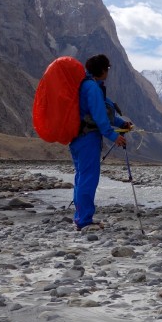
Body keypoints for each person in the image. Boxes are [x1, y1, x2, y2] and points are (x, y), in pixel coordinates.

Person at [70, 54, 131, 231]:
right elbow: (99, 117)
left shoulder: (87, 85)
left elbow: (104, 112)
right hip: (88, 139)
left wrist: (121, 124)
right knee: (88, 179)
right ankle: (84, 221)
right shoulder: (93, 89)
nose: (108, 72)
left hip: (78, 138)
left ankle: (80, 217)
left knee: (81, 177)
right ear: (103, 70)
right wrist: (114, 136)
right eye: (108, 69)